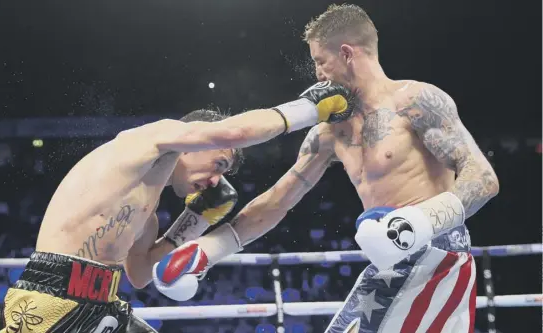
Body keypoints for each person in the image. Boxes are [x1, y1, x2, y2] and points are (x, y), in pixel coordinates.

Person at [155, 4, 500, 333]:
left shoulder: (416, 102)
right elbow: (278, 201)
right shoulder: (328, 132)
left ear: (348, 54)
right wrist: (209, 250)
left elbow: (483, 179)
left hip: (436, 257)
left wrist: (414, 225)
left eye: (321, 62)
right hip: (387, 263)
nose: (318, 75)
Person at [0, 82, 354, 333]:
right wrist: (309, 108)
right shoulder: (149, 139)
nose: (217, 180)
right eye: (220, 164)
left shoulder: (145, 215)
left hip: (101, 307)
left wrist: (195, 219)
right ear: (196, 139)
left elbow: (139, 274)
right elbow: (235, 133)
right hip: (48, 299)